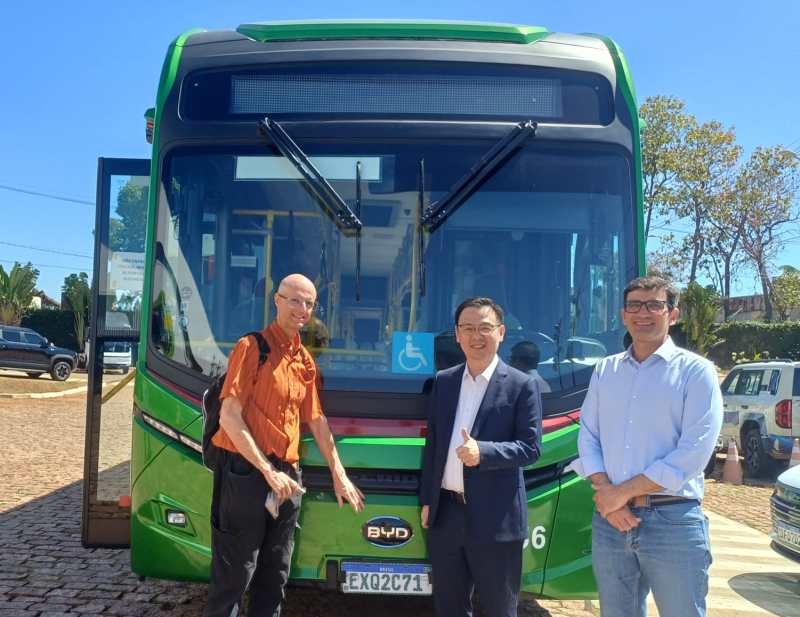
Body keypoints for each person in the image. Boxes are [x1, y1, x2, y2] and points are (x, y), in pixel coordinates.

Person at [205, 273, 364, 617]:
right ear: (277, 300)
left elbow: (317, 420)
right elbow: (229, 417)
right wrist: (267, 470)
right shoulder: (252, 348)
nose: (301, 309)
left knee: (275, 575)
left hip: (288, 477)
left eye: (308, 303)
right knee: (234, 576)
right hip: (246, 473)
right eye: (294, 300)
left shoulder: (305, 360)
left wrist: (339, 474)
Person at [572, 276, 722, 617]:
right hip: (611, 522)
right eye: (635, 305)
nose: (644, 313)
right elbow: (588, 436)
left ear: (673, 314)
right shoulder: (606, 370)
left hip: (673, 520)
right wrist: (608, 495)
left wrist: (619, 493)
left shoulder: (697, 372)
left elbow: (693, 453)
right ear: (624, 315)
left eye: (654, 305)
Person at [419, 297, 541, 617]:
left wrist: (483, 452)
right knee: (449, 607)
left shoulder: (521, 385)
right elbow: (434, 446)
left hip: (496, 518)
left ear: (501, 332)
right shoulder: (444, 381)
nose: (476, 336)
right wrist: (428, 500)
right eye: (468, 328)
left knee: (499, 609)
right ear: (457, 335)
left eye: (485, 328)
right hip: (446, 514)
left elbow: (530, 447)